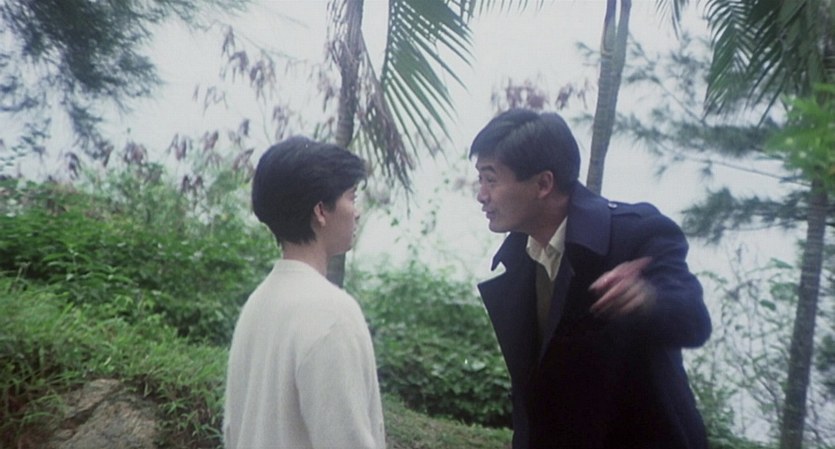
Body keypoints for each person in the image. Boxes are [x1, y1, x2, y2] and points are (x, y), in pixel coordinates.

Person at [470, 108, 712, 449]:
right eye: (481, 179)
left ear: (543, 184)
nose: (481, 194)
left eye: (491, 179)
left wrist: (648, 299)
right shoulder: (521, 256)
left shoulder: (633, 234)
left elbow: (694, 319)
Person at [223, 136, 385, 449]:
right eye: (351, 197)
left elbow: (233, 430)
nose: (357, 212)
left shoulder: (257, 304)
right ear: (321, 210)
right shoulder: (332, 312)